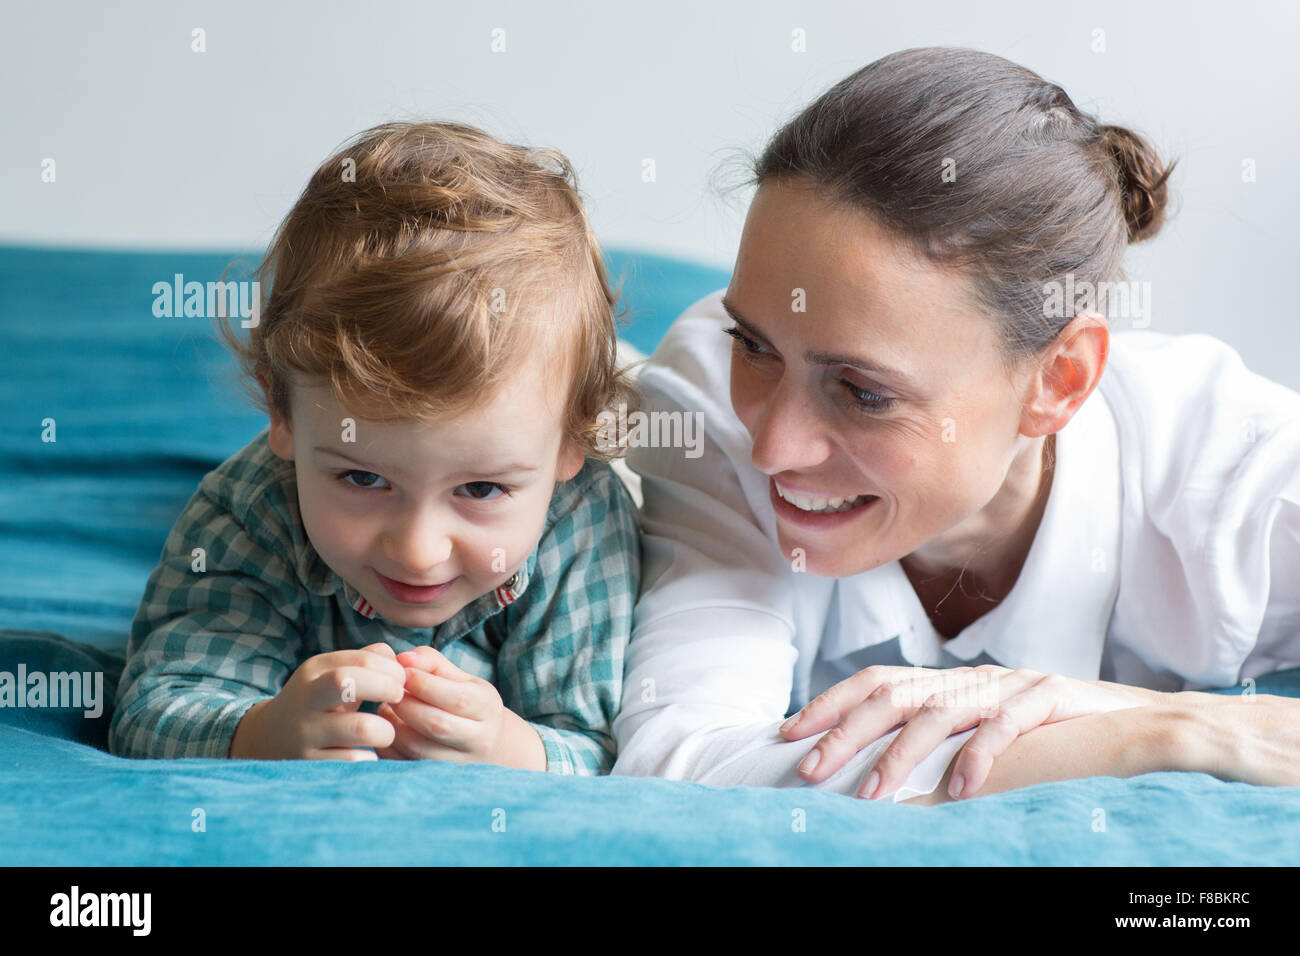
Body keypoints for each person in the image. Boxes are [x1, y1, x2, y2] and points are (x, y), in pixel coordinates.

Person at [612, 47, 1300, 804]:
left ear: (1059, 380)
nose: (771, 447)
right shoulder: (708, 390)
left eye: (862, 392)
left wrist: (1125, 708)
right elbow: (680, 767)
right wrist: (1147, 736)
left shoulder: (1248, 482)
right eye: (756, 346)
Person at [109, 121, 641, 773]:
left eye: (479, 489)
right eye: (363, 479)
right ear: (280, 412)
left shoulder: (583, 521)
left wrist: (508, 746)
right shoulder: (249, 513)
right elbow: (156, 711)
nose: (417, 551)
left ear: (570, 446)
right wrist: (263, 733)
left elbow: (600, 743)